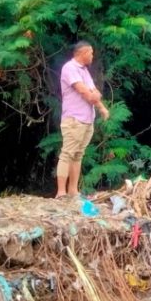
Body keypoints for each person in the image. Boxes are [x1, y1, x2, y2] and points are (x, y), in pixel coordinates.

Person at [55, 41, 110, 199]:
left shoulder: (84, 71)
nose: (92, 56)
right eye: (91, 53)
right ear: (82, 53)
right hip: (74, 118)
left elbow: (93, 92)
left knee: (78, 155)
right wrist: (94, 96)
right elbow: (85, 92)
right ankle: (61, 192)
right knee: (67, 153)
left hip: (86, 119)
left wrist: (102, 108)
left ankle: (73, 191)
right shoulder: (70, 68)